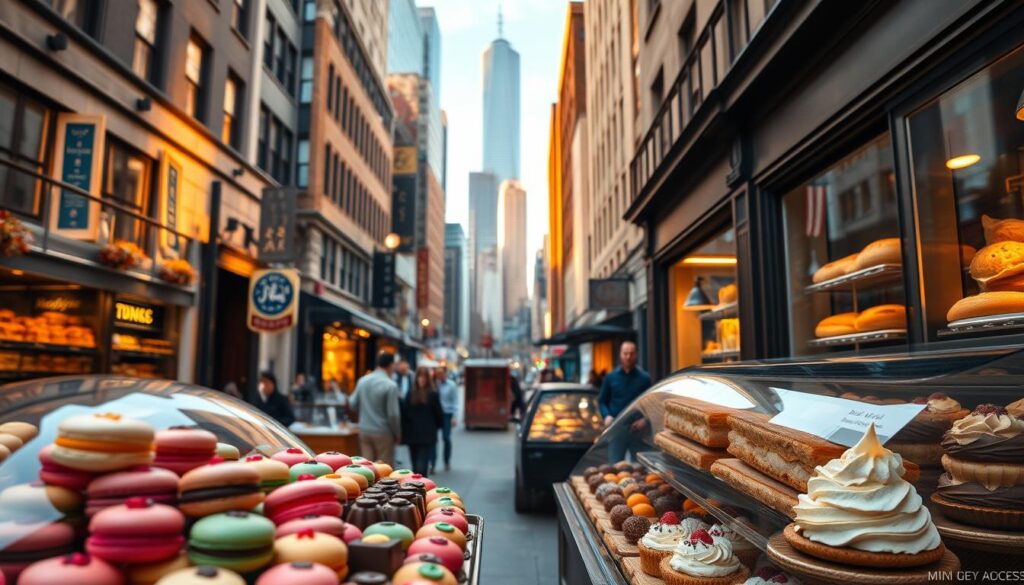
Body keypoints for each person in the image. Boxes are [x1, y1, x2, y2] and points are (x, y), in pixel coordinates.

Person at [598, 341, 652, 461]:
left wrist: (645, 420)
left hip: (638, 430)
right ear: (620, 355)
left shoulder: (645, 378)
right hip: (617, 428)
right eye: (625, 353)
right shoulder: (610, 377)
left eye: (631, 354)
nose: (628, 357)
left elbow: (651, 404)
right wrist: (606, 416)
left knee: (640, 467)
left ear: (636, 355)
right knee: (615, 465)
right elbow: (602, 401)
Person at [351, 352, 402, 464]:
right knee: (384, 468)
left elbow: (352, 402)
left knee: (367, 466)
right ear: (391, 365)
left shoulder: (363, 381)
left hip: (364, 429)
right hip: (383, 431)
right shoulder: (390, 385)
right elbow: (393, 414)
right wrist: (397, 433)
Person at [400, 366, 444, 475]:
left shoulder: (433, 394)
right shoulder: (410, 394)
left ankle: (423, 488)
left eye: (424, 376)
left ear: (428, 378)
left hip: (427, 435)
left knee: (422, 466)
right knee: (415, 466)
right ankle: (417, 490)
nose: (422, 379)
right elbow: (404, 414)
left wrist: (434, 428)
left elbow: (439, 415)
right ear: (416, 378)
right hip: (412, 435)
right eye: (419, 376)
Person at [432, 367, 458, 472]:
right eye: (438, 374)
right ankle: (432, 464)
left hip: (447, 414)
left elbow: (455, 401)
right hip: (434, 414)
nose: (440, 376)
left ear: (446, 373)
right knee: (432, 440)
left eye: (442, 373)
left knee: (446, 438)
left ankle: (446, 461)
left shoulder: (451, 385)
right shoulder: (433, 385)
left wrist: (454, 416)